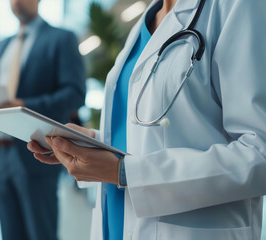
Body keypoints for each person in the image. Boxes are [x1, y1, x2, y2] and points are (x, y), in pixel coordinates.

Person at [28, 0, 266, 239]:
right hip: (118, 223)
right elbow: (149, 134)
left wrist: (125, 173)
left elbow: (260, 153)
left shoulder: (238, 6)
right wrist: (94, 143)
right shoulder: (145, 22)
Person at [0, 0, 86, 239]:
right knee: (10, 233)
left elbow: (75, 94)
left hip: (36, 153)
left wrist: (26, 106)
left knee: (41, 232)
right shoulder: (1, 47)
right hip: (0, 154)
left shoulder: (61, 39)